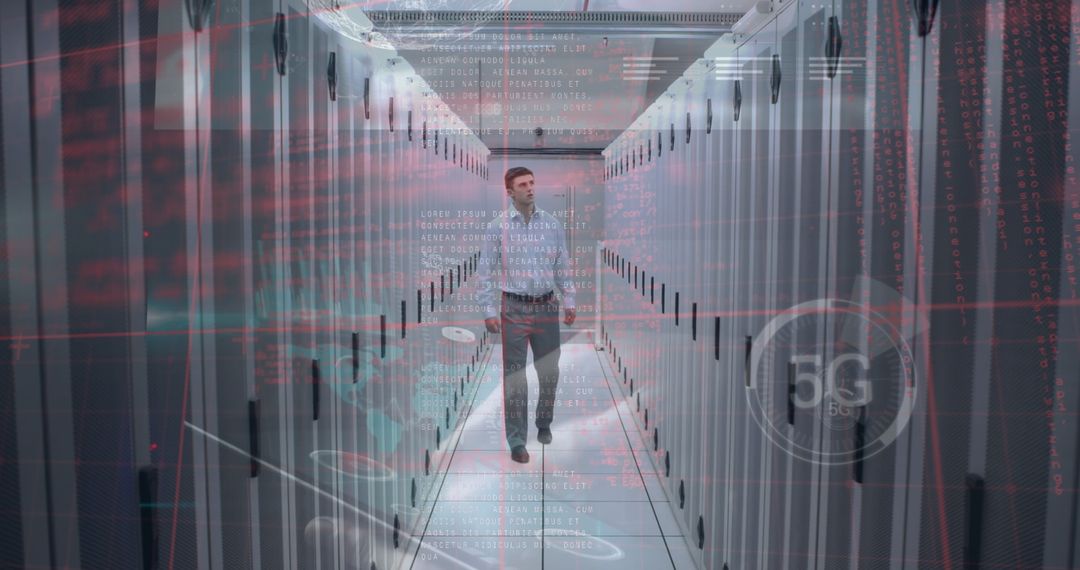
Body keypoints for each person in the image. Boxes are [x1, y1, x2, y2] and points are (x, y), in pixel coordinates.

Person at [476, 166, 576, 463]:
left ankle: (544, 421)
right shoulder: (497, 227)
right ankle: (517, 440)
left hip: (546, 306)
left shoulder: (552, 225)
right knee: (515, 376)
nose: (530, 188)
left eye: (532, 182)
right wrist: (488, 310)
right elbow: (485, 271)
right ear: (510, 192)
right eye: (523, 185)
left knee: (549, 371)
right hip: (514, 308)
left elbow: (562, 264)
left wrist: (569, 298)